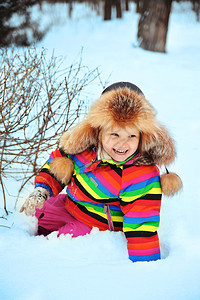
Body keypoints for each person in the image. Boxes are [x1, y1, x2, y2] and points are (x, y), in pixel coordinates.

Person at [20, 82, 182, 263]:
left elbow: (141, 225)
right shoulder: (85, 147)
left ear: (142, 135)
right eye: (115, 134)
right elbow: (59, 163)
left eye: (131, 136)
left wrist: (146, 267)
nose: (122, 144)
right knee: (34, 217)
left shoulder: (139, 175)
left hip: (95, 225)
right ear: (99, 130)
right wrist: (43, 189)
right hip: (69, 205)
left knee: (56, 247)